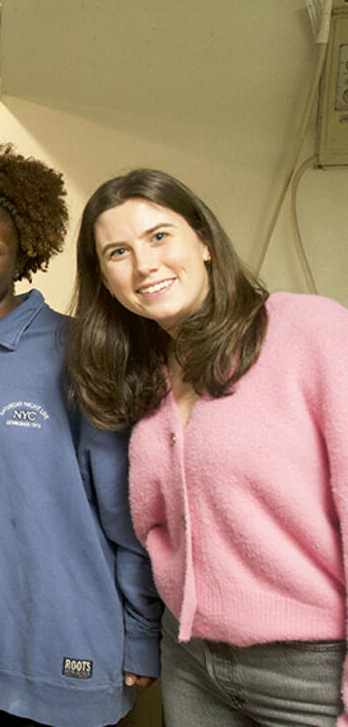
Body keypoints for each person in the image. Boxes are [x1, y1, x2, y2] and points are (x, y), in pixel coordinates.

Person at [67, 168, 348, 727]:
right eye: (117, 251)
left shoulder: (311, 332)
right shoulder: (144, 375)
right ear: (103, 278)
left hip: (311, 669)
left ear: (203, 242)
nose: (144, 264)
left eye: (159, 236)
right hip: (193, 661)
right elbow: (153, 526)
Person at [0, 144, 161, 727]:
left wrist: (143, 633)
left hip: (64, 641)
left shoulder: (76, 352)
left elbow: (128, 514)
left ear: (25, 258)